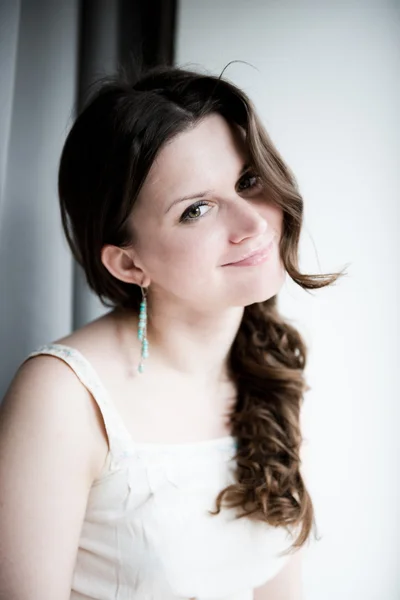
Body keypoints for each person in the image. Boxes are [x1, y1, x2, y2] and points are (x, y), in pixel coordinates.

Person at [0, 63, 346, 600]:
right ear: (128, 263)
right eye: (197, 209)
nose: (252, 223)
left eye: (248, 182)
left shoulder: (267, 365)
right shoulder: (63, 397)